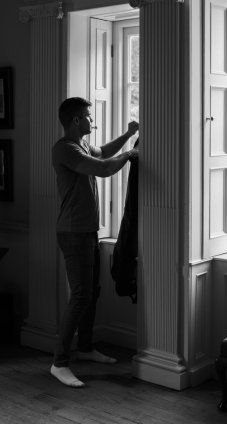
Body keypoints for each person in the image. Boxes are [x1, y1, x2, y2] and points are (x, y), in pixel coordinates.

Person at [50, 97, 138, 387]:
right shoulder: (65, 149)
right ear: (76, 121)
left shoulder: (84, 146)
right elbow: (103, 168)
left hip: (88, 231)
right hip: (73, 233)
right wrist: (131, 154)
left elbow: (102, 154)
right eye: (88, 116)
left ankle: (85, 348)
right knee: (80, 296)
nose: (92, 120)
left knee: (93, 292)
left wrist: (127, 136)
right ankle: (59, 363)